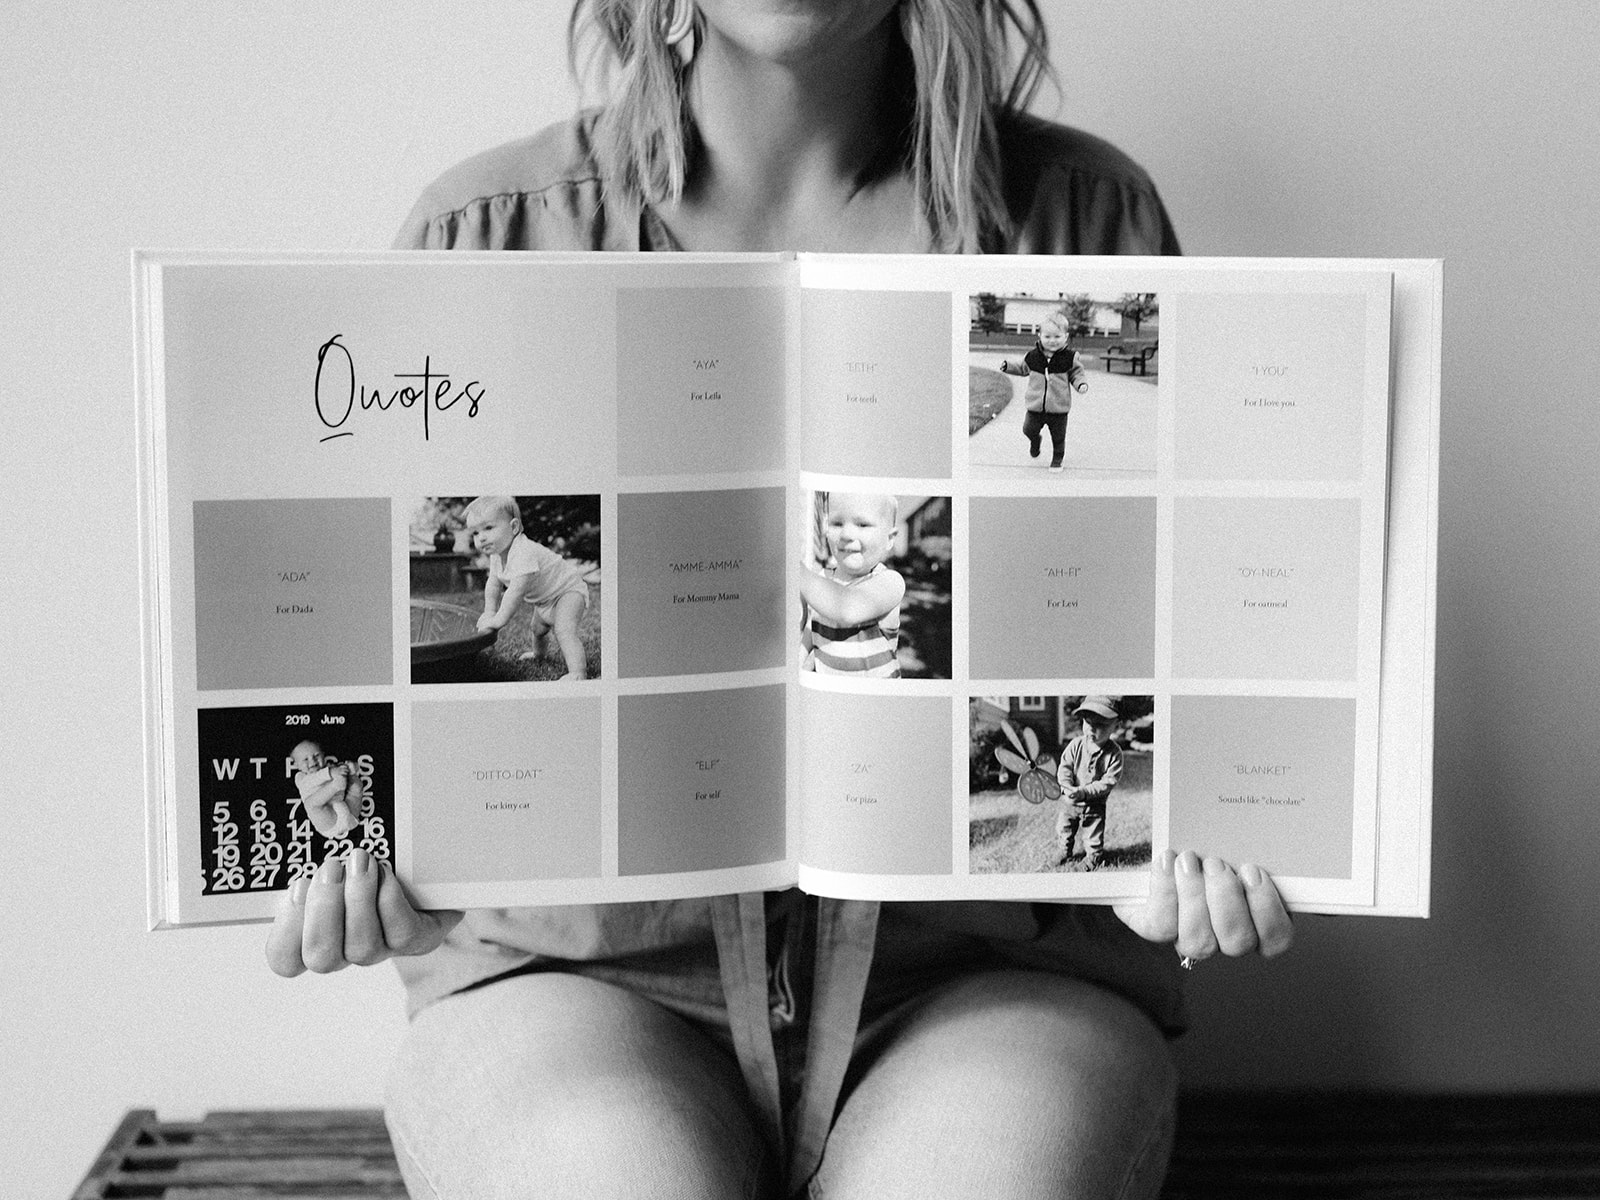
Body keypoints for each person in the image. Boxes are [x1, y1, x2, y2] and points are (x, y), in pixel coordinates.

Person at [268, 3, 1294, 1197]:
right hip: (567, 986)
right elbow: (382, 682)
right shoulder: (486, 236)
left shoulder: (1089, 221)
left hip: (990, 984)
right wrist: (372, 865)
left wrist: (1202, 821)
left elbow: (1166, 629)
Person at [463, 495, 591, 681]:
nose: (481, 538)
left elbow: (515, 591)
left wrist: (499, 619)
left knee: (564, 630)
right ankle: (539, 655)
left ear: (514, 527)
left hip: (567, 592)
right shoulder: (497, 555)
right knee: (537, 629)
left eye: (488, 528)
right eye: (475, 533)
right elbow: (493, 583)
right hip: (545, 598)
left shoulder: (524, 552)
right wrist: (489, 612)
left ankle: (578, 673)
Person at [800, 492, 906, 677]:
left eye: (862, 524)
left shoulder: (890, 581)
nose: (846, 534)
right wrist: (799, 660)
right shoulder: (823, 577)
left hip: (875, 700)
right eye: (837, 523)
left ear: (890, 539)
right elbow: (812, 623)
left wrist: (796, 570)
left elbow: (847, 608)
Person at [1000, 310, 1088, 471]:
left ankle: (1057, 460)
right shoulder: (1033, 357)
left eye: (1057, 337)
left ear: (1065, 337)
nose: (1052, 341)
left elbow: (1077, 373)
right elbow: (1022, 368)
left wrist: (1080, 384)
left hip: (1058, 408)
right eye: (1047, 337)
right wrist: (1008, 367)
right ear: (1039, 336)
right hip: (1035, 407)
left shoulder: (1070, 358)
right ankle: (1035, 440)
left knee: (1058, 437)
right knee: (1028, 429)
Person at [1056, 696, 1125, 870]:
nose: (1091, 728)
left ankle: (1093, 857)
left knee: (1093, 833)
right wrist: (1066, 784)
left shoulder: (1114, 754)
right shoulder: (1075, 745)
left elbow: (1108, 782)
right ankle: (1064, 850)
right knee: (1064, 828)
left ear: (1115, 726)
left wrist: (1084, 792)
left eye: (1100, 724)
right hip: (1070, 801)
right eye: (1087, 722)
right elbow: (1065, 767)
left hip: (1094, 804)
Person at [289, 740, 362, 839]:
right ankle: (335, 786)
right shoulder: (300, 777)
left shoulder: (331, 767)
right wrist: (331, 774)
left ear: (323, 755)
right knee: (310, 804)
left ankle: (353, 775)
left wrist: (348, 769)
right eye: (305, 759)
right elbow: (314, 780)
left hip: (349, 813)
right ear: (296, 765)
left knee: (356, 790)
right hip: (328, 821)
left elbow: (339, 772)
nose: (312, 761)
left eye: (316, 755)